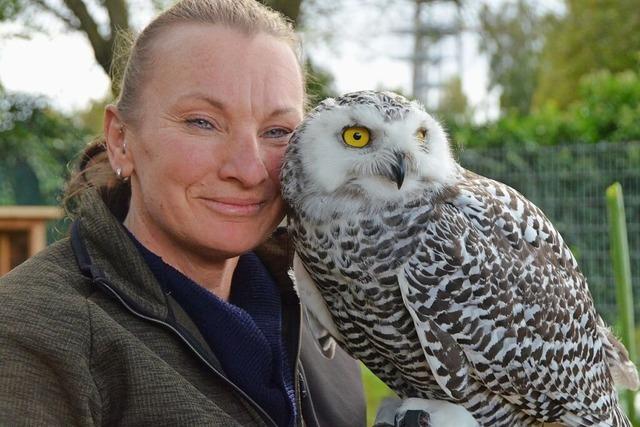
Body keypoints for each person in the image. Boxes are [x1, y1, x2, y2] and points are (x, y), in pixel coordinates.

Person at [0, 0, 367, 425]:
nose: (248, 170)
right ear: (121, 139)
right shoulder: (31, 337)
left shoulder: (323, 307)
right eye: (202, 123)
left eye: (278, 132)